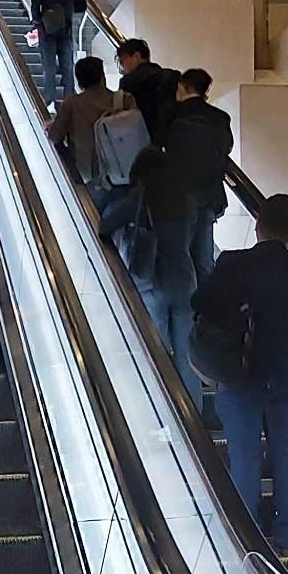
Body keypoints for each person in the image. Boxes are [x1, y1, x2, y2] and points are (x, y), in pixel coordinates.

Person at [192, 192, 288, 552]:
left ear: (257, 225)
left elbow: (200, 303)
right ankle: (287, 536)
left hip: (239, 373)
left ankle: (247, 539)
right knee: (285, 451)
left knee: (245, 454)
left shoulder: (233, 264)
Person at [123, 146, 203, 405]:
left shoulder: (141, 197)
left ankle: (163, 412)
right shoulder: (187, 200)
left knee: (157, 353)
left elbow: (106, 223)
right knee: (187, 356)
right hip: (184, 281)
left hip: (152, 281)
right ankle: (193, 416)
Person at [164, 67, 234, 283]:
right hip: (208, 191)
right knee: (204, 255)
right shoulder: (220, 117)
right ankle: (205, 305)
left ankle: (185, 304)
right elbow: (227, 147)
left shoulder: (172, 114)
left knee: (179, 253)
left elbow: (161, 146)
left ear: (181, 87)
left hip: (178, 194)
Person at [47, 55, 124, 187]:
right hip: (120, 168)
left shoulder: (72, 103)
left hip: (84, 173)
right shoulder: (122, 100)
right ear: (102, 77)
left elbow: (55, 136)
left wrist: (50, 127)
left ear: (79, 80)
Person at [30, 0, 86, 105]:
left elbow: (35, 4)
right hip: (66, 28)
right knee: (67, 66)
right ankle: (70, 101)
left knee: (49, 67)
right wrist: (68, 11)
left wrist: (37, 21)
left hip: (46, 29)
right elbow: (82, 6)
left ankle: (50, 102)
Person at [116, 38, 179, 140]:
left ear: (137, 56)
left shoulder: (128, 82)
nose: (123, 67)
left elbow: (123, 118)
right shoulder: (169, 76)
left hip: (141, 139)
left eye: (123, 61)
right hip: (170, 138)